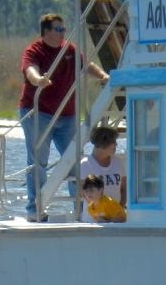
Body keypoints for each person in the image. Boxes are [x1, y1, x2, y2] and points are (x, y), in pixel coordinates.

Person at [18, 13, 109, 222]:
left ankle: (82, 207)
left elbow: (86, 65)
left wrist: (103, 76)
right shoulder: (35, 50)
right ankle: (35, 208)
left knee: (74, 161)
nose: (63, 33)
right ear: (46, 32)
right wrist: (38, 80)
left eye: (63, 29)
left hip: (67, 115)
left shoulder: (69, 49)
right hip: (38, 112)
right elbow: (29, 69)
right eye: (59, 29)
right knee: (37, 161)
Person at [78, 124, 126, 216]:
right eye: (113, 142)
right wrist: (102, 214)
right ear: (103, 144)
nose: (116, 145)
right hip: (94, 219)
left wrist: (119, 209)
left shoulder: (118, 162)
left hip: (116, 217)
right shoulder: (85, 164)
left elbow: (124, 189)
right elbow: (84, 194)